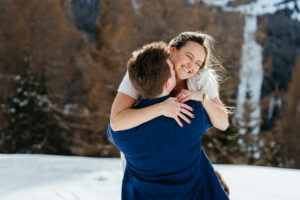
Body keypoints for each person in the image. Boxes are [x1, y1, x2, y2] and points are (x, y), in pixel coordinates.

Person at [110, 31, 230, 195]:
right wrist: (162, 108)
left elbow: (223, 123)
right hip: (144, 155)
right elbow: (117, 122)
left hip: (181, 154)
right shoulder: (144, 70)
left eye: (198, 63)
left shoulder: (200, 79)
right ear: (172, 49)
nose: (192, 66)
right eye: (189, 56)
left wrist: (203, 98)